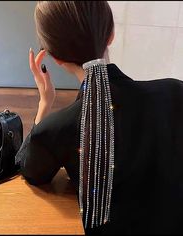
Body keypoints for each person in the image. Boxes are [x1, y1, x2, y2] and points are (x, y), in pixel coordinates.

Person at [15, 1, 183, 235]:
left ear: (55, 58)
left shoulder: (58, 128)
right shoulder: (176, 92)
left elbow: (31, 170)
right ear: (111, 34)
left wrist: (44, 104)